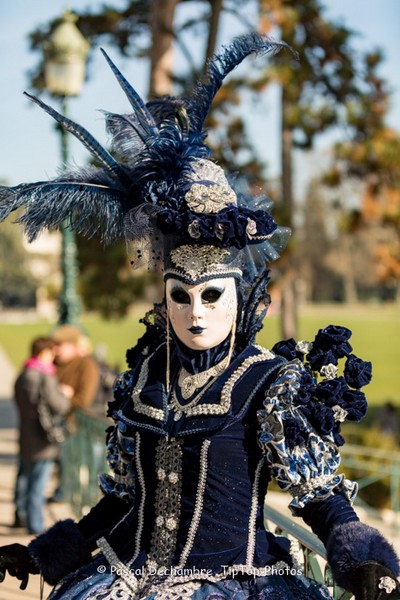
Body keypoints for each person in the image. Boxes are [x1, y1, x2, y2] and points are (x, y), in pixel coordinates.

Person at [0, 32, 399, 600]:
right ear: (162, 298)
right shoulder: (145, 379)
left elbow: (320, 498)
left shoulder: (270, 384)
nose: (195, 311)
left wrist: (364, 563)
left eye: (211, 295)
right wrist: (42, 554)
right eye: (179, 295)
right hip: (127, 577)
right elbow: (118, 500)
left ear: (239, 296)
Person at [12, 337, 73, 535]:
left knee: (25, 479)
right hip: (44, 439)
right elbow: (59, 406)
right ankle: (36, 525)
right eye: (52, 354)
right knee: (38, 485)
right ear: (44, 353)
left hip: (26, 435)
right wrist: (65, 394)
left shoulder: (23, 375)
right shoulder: (44, 377)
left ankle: (21, 515)